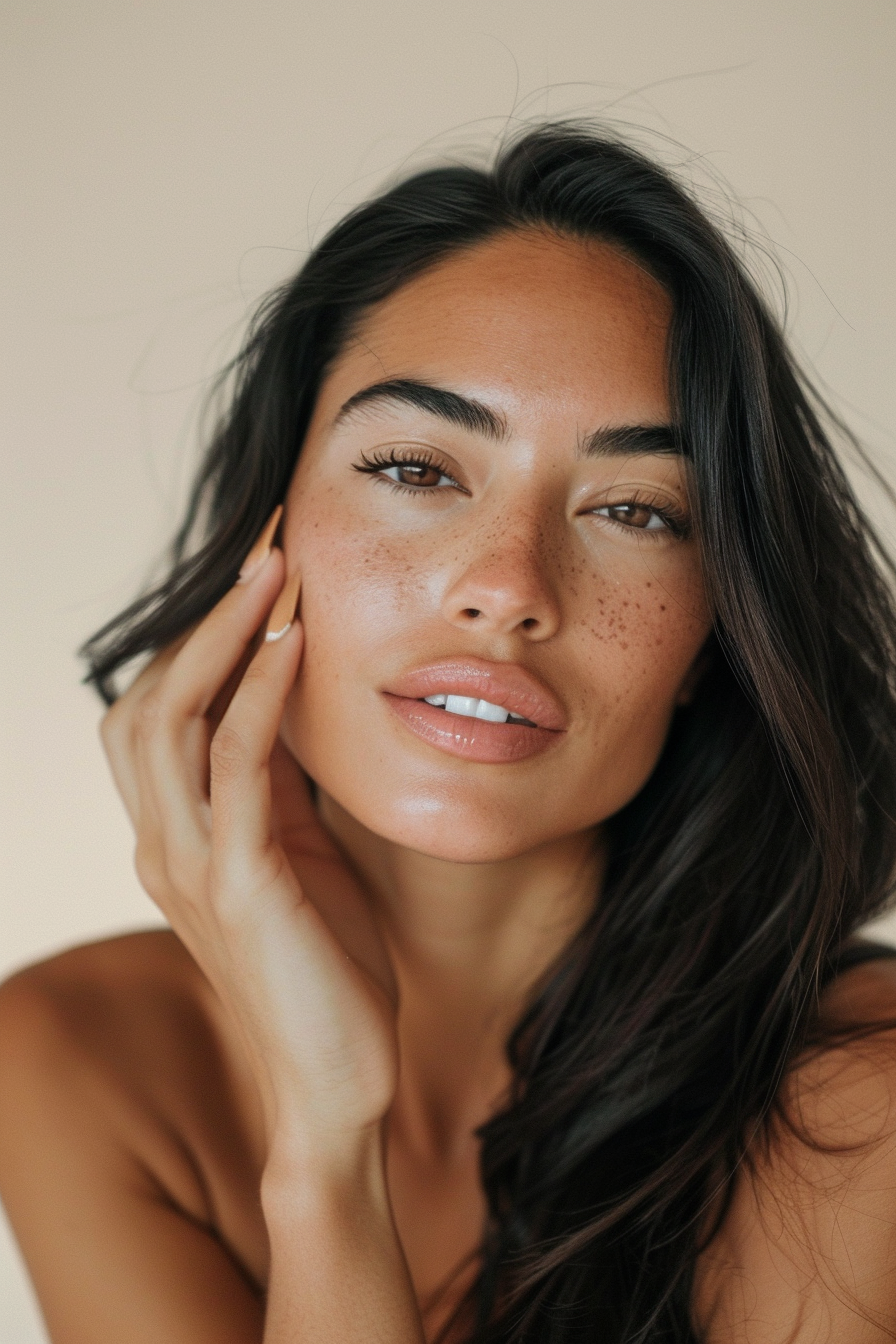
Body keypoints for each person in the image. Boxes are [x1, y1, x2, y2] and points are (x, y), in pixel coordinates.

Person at [3, 121, 896, 1344]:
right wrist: (327, 1129)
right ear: (266, 538)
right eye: (419, 470)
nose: (508, 585)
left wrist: (324, 1164)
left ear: (712, 639)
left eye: (634, 508)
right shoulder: (73, 1057)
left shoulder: (861, 1104)